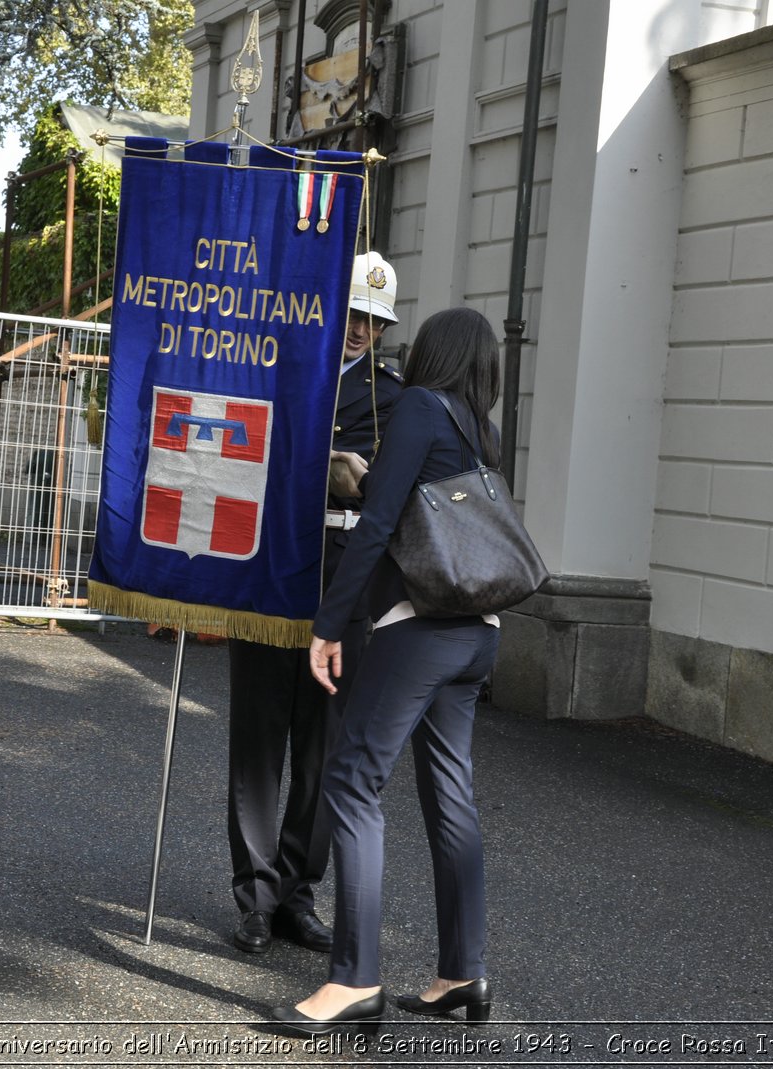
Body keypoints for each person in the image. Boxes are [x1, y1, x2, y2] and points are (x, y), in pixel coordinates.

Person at [269, 306, 505, 1035]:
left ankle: (353, 979)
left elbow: (378, 528)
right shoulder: (482, 428)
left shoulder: (417, 409)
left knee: (351, 781)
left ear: (430, 354)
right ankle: (462, 970)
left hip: (419, 626)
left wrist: (329, 624)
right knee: (451, 793)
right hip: (480, 631)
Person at [226, 252, 403, 954]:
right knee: (259, 743)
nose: (361, 329)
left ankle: (298, 891)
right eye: (354, 313)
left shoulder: (392, 398)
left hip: (344, 576)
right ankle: (254, 894)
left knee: (326, 747)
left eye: (374, 320)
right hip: (270, 567)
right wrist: (315, 466)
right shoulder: (276, 370)